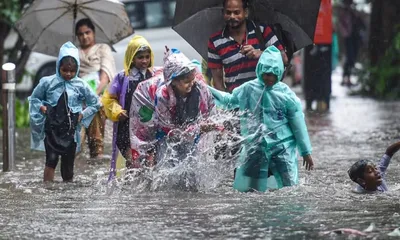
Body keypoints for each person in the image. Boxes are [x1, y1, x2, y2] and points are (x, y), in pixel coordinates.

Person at [208, 46, 314, 192]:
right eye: (265, 74)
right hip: (256, 146)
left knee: (290, 188)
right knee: (249, 190)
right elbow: (229, 100)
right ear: (259, 70)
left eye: (272, 74)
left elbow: (298, 124)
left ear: (279, 72)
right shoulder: (248, 89)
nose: (268, 78)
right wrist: (206, 89)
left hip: (282, 147)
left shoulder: (286, 95)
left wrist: (306, 152)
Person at [29, 41, 101, 182]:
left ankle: (67, 198)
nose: (68, 74)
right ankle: (48, 189)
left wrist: (82, 114)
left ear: (77, 69)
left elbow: (95, 103)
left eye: (72, 71)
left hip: (71, 131)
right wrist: (42, 107)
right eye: (65, 70)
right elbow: (34, 98)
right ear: (58, 67)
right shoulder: (47, 82)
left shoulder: (81, 85)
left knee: (68, 168)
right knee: (51, 160)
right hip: (52, 129)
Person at [102, 35, 162, 179]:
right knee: (133, 163)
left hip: (148, 129)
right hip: (126, 129)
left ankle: (143, 196)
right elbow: (108, 99)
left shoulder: (154, 76)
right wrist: (117, 111)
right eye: (140, 57)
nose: (144, 61)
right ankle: (130, 193)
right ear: (131, 57)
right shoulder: (122, 78)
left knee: (150, 164)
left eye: (147, 57)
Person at [208, 0, 287, 93]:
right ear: (223, 13)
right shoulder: (215, 41)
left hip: (265, 99)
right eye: (228, 12)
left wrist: (261, 54)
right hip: (236, 102)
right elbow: (218, 81)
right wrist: (227, 102)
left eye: (237, 12)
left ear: (245, 13)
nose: (232, 16)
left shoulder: (262, 31)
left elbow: (284, 59)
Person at [75, 18, 116, 160]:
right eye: (81, 34)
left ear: (93, 32)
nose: (85, 36)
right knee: (75, 145)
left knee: (96, 110)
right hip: (78, 98)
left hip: (98, 96)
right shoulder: (74, 53)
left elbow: (106, 77)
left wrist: (93, 95)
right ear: (77, 36)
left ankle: (97, 155)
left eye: (88, 32)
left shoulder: (102, 49)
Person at [337, 0, 365, 86]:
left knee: (352, 58)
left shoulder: (355, 11)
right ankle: (345, 78)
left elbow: (361, 24)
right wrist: (346, 33)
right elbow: (341, 24)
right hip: (348, 37)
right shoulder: (344, 12)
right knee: (350, 57)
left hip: (355, 37)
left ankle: (347, 78)